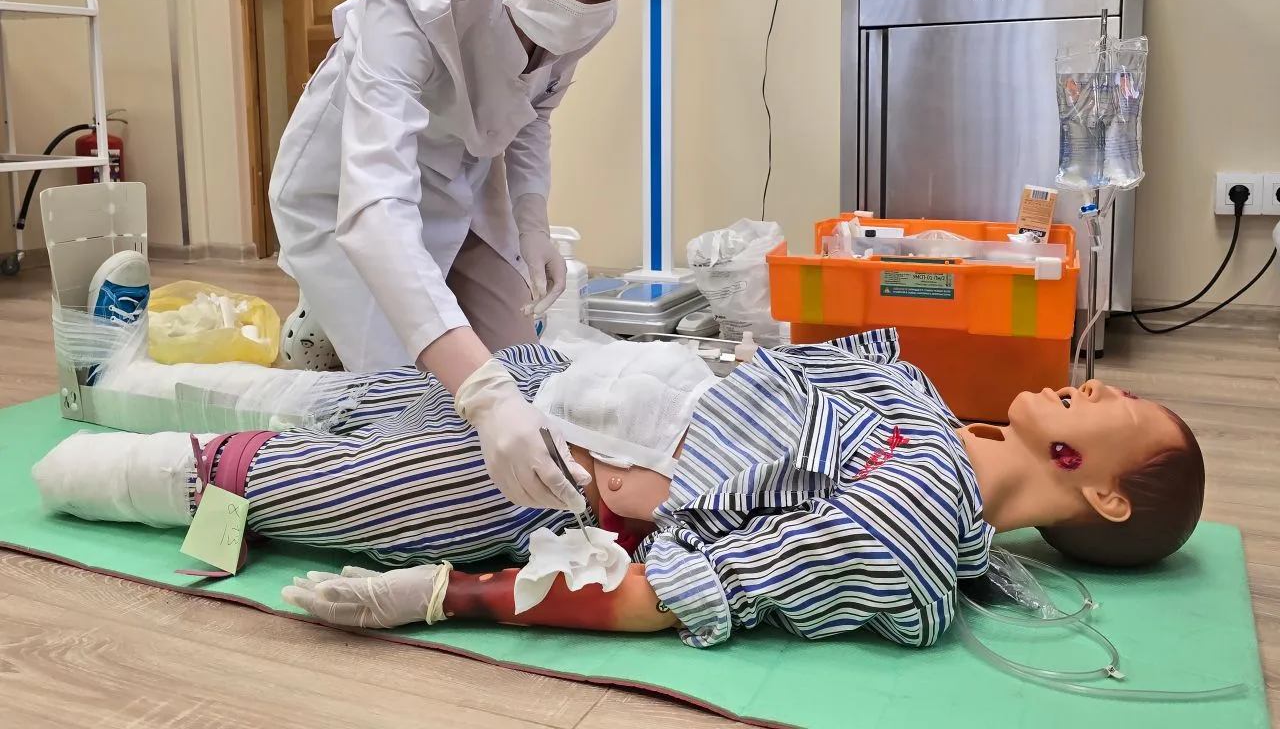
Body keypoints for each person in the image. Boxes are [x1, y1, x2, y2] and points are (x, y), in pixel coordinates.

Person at [33, 322, 1204, 649]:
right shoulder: (912, 391)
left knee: (240, 475)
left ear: (1103, 496)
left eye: (1121, 410)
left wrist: (447, 595)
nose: (1100, 386)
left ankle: (119, 450)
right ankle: (113, 369)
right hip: (557, 371)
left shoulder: (906, 526)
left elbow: (674, 594)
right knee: (333, 395)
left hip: (534, 485)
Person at [267, 0, 665, 513]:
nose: (576, 4)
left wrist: (533, 223)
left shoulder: (587, 11)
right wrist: (482, 396)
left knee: (526, 370)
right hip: (351, 189)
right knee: (411, 409)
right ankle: (320, 326)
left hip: (462, 176)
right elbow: (375, 209)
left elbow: (534, 112)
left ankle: (392, 335)